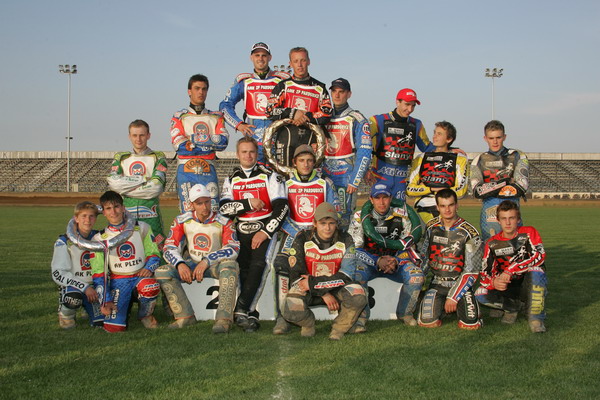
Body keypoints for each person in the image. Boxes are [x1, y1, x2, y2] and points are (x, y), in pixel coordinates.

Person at [269, 144, 340, 335]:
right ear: (294, 162)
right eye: (301, 160)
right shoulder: (285, 184)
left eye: (309, 160)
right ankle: (282, 317)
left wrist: (316, 232)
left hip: (319, 237)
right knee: (281, 265)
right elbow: (279, 214)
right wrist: (298, 233)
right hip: (293, 235)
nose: (306, 164)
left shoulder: (325, 183)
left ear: (314, 162)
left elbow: (335, 211)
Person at [219, 137, 289, 332]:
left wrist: (265, 232)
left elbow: (282, 207)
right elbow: (224, 209)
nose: (248, 155)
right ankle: (248, 314)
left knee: (259, 265)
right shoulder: (231, 178)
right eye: (244, 152)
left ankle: (242, 310)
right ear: (237, 154)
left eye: (251, 152)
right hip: (241, 229)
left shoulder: (270, 176)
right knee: (243, 269)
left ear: (257, 153)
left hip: (264, 228)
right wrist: (248, 203)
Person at [155, 184, 239, 333]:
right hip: (191, 264)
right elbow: (169, 247)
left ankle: (224, 319)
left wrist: (206, 261)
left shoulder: (224, 221)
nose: (204, 207)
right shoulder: (182, 220)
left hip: (214, 265)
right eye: (199, 203)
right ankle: (185, 317)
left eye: (207, 202)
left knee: (230, 266)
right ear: (191, 204)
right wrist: (180, 264)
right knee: (162, 272)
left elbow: (233, 248)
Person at [280, 202, 367, 340]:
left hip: (333, 287)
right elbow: (296, 276)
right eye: (323, 223)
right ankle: (308, 323)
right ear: (314, 223)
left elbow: (346, 275)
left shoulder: (346, 238)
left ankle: (339, 328)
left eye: (332, 223)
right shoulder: (302, 238)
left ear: (337, 224)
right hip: (310, 289)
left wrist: (314, 284)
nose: (327, 228)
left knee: (358, 294)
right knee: (289, 307)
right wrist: (323, 293)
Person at [349, 183, 424, 331]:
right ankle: (361, 318)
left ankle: (405, 313)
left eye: (385, 197)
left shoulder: (403, 215)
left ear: (391, 198)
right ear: (371, 199)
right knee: (356, 275)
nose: (382, 202)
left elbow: (409, 246)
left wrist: (397, 260)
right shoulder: (359, 217)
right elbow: (355, 249)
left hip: (395, 262)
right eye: (377, 198)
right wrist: (377, 261)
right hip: (369, 263)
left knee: (416, 276)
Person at [90, 191, 161, 332]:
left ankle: (145, 315)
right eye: (108, 208)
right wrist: (106, 300)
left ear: (123, 208)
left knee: (150, 286)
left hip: (140, 276)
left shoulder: (142, 227)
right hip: (119, 282)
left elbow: (154, 253)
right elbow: (98, 274)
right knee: (114, 328)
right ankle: (124, 308)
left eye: (116, 206)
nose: (113, 212)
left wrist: (149, 268)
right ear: (103, 212)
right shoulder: (99, 239)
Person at [475, 200, 547, 333]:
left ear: (518, 219)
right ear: (498, 221)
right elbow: (484, 273)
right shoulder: (491, 243)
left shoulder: (529, 233)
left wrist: (510, 270)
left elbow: (539, 256)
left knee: (537, 270)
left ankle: (536, 319)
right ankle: (511, 308)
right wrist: (494, 282)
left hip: (527, 284)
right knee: (480, 293)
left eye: (512, 218)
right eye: (504, 218)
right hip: (507, 287)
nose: (508, 223)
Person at [417, 189, 482, 329]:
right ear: (437, 207)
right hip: (437, 283)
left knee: (470, 324)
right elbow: (424, 258)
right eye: (443, 206)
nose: (447, 210)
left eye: (451, 205)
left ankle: (458, 304)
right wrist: (418, 282)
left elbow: (472, 271)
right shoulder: (430, 228)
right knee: (427, 323)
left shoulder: (470, 232)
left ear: (457, 205)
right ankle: (440, 307)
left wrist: (453, 296)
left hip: (460, 283)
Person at [219, 42, 291, 163]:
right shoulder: (244, 81)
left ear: (270, 57)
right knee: (254, 174)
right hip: (254, 142)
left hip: (278, 141)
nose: (260, 58)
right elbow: (225, 106)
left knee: (280, 174)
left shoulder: (282, 79)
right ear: (251, 57)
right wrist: (238, 124)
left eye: (264, 55)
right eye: (257, 55)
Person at [170, 74, 229, 212]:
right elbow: (179, 146)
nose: (201, 92)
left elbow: (223, 142)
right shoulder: (179, 116)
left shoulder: (216, 116)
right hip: (185, 171)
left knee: (212, 211)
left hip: (208, 170)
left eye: (204, 89)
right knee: (188, 214)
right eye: (197, 88)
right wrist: (209, 142)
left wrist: (192, 139)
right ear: (189, 91)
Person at [265, 46, 332, 167]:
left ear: (309, 61)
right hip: (286, 138)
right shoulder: (283, 86)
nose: (300, 65)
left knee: (309, 175)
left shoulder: (319, 87)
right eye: (296, 61)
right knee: (285, 175)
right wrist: (293, 113)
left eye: (303, 60)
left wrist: (307, 116)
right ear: (290, 64)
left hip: (311, 139)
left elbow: (327, 113)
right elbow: (269, 111)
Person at [107, 119, 168, 249]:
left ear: (148, 135)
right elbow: (114, 184)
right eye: (134, 135)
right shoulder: (121, 157)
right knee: (130, 249)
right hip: (127, 215)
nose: (138, 139)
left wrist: (125, 188)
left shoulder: (158, 156)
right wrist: (144, 179)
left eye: (142, 135)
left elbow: (156, 188)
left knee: (156, 250)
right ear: (129, 136)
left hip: (151, 215)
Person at [322, 78, 372, 230]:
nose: (337, 95)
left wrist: (355, 180)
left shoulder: (357, 119)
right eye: (334, 91)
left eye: (341, 92)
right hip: (324, 174)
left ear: (349, 94)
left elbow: (365, 151)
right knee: (323, 216)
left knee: (343, 218)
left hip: (345, 177)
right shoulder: (322, 117)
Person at [367, 88, 434, 200]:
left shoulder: (416, 124)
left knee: (400, 210)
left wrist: (450, 149)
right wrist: (365, 170)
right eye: (407, 104)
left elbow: (428, 149)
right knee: (380, 210)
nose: (410, 109)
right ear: (397, 102)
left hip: (401, 182)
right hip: (379, 179)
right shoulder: (377, 121)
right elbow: (361, 144)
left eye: (413, 106)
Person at [470, 120, 529, 242]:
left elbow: (521, 187)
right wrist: (506, 182)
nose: (495, 141)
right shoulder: (479, 160)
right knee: (491, 248)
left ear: (504, 137)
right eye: (491, 138)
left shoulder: (518, 156)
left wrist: (489, 188)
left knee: (516, 248)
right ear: (485, 138)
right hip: (489, 216)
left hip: (512, 214)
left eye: (498, 137)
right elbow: (477, 191)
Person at [51, 201, 103, 329]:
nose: (88, 220)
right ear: (76, 219)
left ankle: (87, 308)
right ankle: (66, 315)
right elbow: (58, 273)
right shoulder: (64, 241)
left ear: (95, 218)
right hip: (74, 286)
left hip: (95, 286)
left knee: (102, 323)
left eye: (91, 216)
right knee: (73, 298)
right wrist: (85, 287)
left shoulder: (99, 238)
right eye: (84, 216)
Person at [407, 121, 468, 223]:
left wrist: (437, 190)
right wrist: (431, 188)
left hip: (447, 208)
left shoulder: (460, 159)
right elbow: (409, 189)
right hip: (423, 208)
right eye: (434, 133)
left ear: (449, 139)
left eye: (439, 134)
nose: (434, 136)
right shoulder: (421, 158)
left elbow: (460, 191)